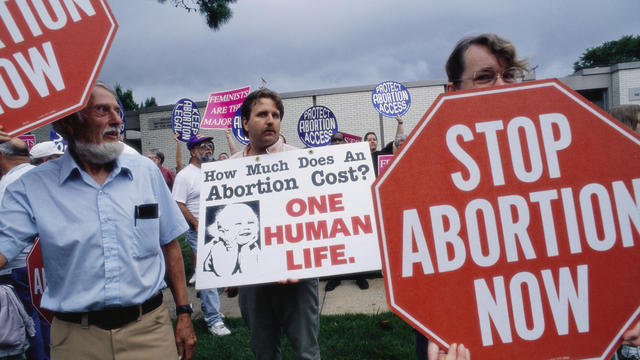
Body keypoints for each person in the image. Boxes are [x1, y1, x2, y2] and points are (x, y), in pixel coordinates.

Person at [0, 82, 196, 360]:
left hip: (149, 331)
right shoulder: (33, 186)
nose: (117, 119)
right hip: (75, 340)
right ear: (68, 122)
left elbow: (170, 246)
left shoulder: (145, 172)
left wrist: (185, 314)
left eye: (118, 110)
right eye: (102, 111)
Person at [231, 88, 321, 360]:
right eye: (262, 114)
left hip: (297, 276)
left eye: (275, 115)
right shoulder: (229, 169)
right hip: (252, 278)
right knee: (263, 351)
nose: (270, 119)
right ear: (245, 123)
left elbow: (317, 217)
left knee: (306, 351)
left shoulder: (301, 160)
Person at [172, 134, 231, 337]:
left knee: (218, 272)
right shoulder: (185, 175)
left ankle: (209, 309)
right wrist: (196, 224)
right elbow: (179, 203)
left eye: (210, 145)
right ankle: (214, 320)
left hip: (218, 229)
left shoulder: (214, 171)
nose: (208, 149)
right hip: (198, 232)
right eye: (202, 146)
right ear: (192, 151)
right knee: (209, 274)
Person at [324, 131, 369, 291]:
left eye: (339, 140)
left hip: (350, 204)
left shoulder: (353, 157)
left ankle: (359, 276)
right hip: (332, 206)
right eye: (333, 140)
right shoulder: (323, 160)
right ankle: (334, 278)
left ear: (344, 142)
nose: (336, 143)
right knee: (335, 244)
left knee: (354, 241)